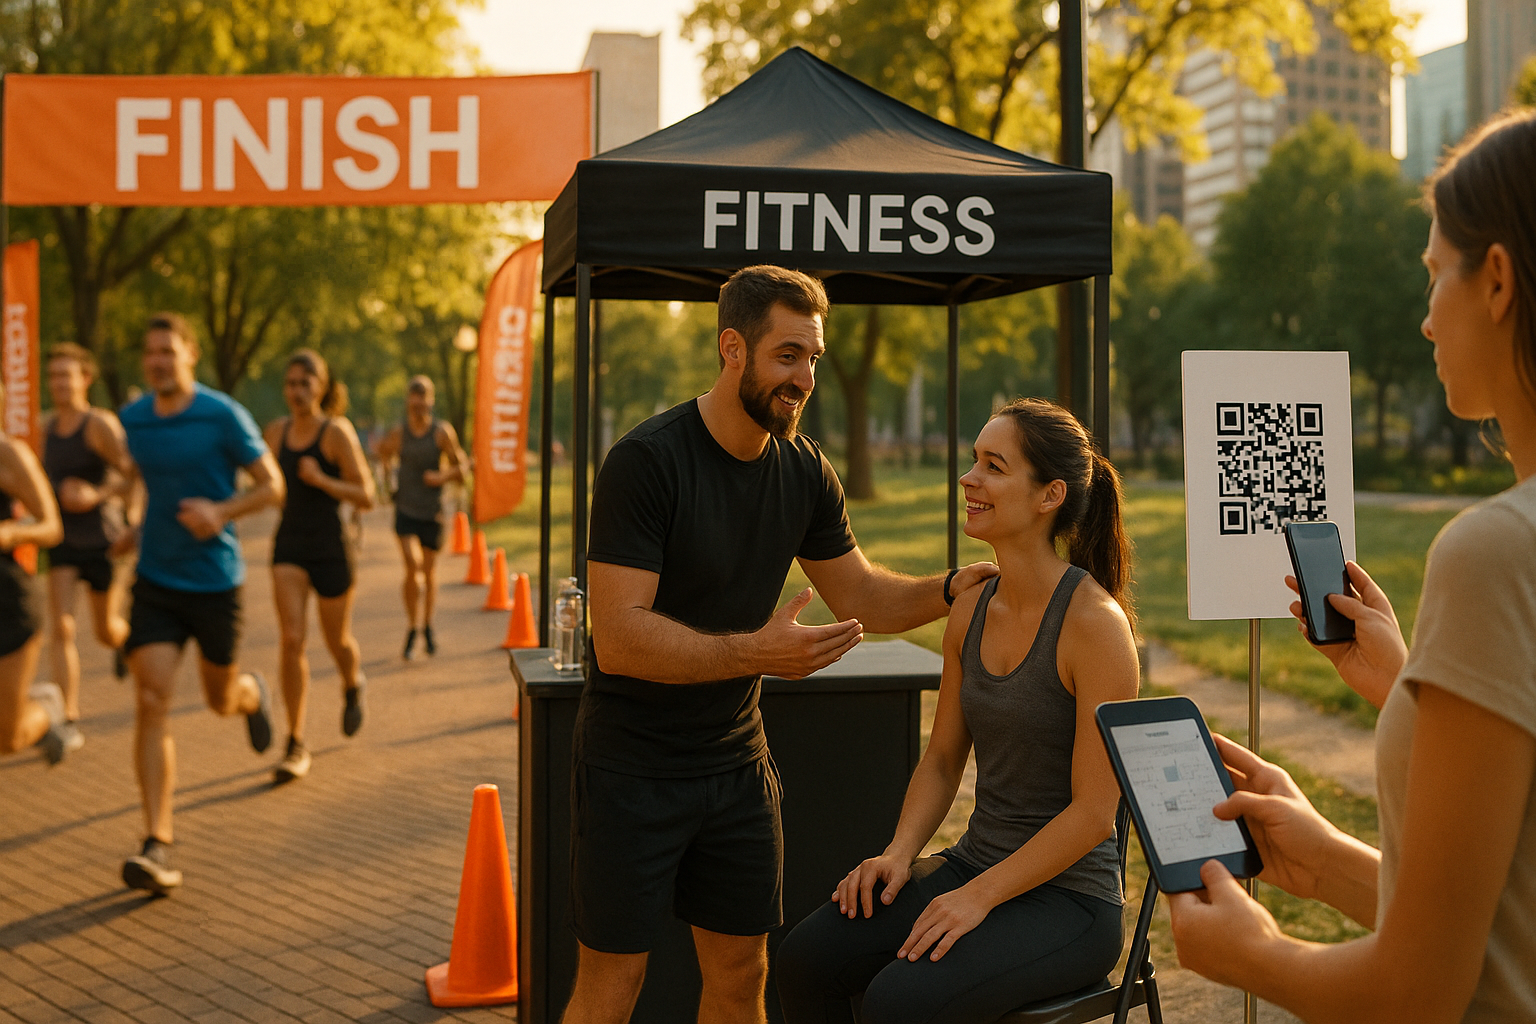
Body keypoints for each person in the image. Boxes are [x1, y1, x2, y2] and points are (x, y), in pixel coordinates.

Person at [1168, 109, 1536, 1024]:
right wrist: (1331, 858)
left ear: (1495, 279)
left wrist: (1256, 953)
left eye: (1431, 276)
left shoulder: (1493, 553)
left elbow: (1418, 991)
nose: (1422, 321)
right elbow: (1508, 920)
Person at [563, 265, 999, 1024]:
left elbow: (861, 593)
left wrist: (955, 585)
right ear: (733, 347)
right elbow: (621, 639)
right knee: (614, 983)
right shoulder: (648, 461)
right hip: (630, 768)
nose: (804, 378)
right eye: (787, 355)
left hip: (734, 767)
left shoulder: (803, 470)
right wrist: (753, 654)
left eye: (814, 360)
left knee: (740, 974)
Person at [775, 398, 1140, 1024]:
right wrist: (898, 852)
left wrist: (979, 897)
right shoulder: (970, 608)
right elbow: (943, 759)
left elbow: (1091, 815)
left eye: (993, 466)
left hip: (1071, 904)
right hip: (978, 865)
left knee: (900, 1001)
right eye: (974, 460)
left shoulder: (1095, 627)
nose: (968, 479)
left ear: (1049, 494)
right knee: (807, 958)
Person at [116, 312, 284, 894]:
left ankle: (250, 694)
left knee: (218, 698)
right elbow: (137, 476)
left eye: (168, 350)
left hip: (215, 582)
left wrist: (221, 512)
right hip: (156, 580)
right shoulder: (134, 419)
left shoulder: (222, 415)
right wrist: (129, 522)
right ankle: (156, 841)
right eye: (150, 351)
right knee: (151, 697)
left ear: (190, 354)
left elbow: (272, 486)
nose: (158, 360)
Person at [264, 349, 376, 783]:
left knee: (338, 641)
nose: (296, 391)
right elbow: (263, 483)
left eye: (305, 383)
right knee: (292, 638)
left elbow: (367, 495)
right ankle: (294, 741)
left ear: (322, 387)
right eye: (290, 383)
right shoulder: (275, 432)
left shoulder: (336, 433)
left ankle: (352, 681)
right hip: (289, 544)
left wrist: (321, 479)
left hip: (331, 546)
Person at [42, 343, 134, 750]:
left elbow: (132, 476)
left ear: (85, 379)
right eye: (54, 376)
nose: (60, 383)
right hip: (62, 541)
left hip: (101, 540)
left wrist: (95, 495)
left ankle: (125, 642)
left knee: (105, 630)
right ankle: (69, 718)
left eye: (68, 375)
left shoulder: (99, 425)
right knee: (61, 627)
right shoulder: (42, 429)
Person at [376, 376, 467, 660]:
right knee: (412, 566)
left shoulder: (441, 432)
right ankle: (412, 625)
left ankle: (426, 626)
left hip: (432, 511)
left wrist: (441, 476)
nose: (417, 403)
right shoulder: (398, 433)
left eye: (423, 397)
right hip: (405, 508)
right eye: (413, 397)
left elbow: (462, 468)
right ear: (408, 401)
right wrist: (389, 482)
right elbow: (383, 454)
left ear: (431, 400)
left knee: (427, 573)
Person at [0, 395, 66, 763]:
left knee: (7, 739)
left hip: (9, 604)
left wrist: (9, 533)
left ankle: (45, 712)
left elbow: (51, 527)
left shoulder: (10, 454)